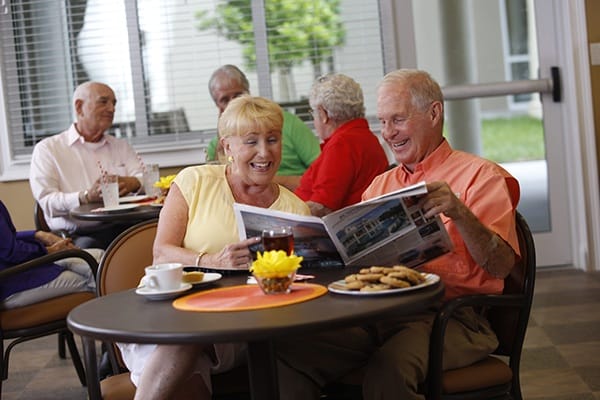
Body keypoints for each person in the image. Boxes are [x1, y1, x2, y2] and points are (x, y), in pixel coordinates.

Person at [276, 69, 521, 399]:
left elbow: (502, 266)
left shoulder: (480, 176)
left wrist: (459, 213)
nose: (388, 133)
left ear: (434, 113)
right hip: (380, 314)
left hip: (455, 318)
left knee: (389, 369)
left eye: (398, 120)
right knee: (287, 357)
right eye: (383, 122)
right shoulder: (380, 186)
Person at [117, 95, 311, 400]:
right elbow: (161, 251)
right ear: (227, 147)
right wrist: (211, 260)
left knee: (188, 338)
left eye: (272, 139)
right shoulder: (194, 181)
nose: (264, 152)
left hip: (241, 326)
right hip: (166, 312)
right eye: (251, 141)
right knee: (182, 342)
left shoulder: (296, 210)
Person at [29, 81, 145, 249]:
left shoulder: (121, 146)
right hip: (79, 234)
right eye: (103, 102)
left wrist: (133, 182)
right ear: (79, 107)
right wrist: (85, 197)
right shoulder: (48, 149)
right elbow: (47, 202)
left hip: (123, 226)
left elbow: (145, 178)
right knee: (93, 252)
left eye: (114, 103)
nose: (112, 109)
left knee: (155, 235)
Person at [206, 64, 321, 191]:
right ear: (217, 105)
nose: (233, 103)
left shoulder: (287, 123)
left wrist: (267, 181)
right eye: (224, 100)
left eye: (238, 96)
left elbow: (322, 175)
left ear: (248, 92)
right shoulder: (216, 144)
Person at [294, 73, 388, 216]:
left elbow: (322, 207)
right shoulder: (364, 137)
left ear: (323, 114)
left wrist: (281, 217)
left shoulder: (342, 145)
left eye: (312, 112)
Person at [0, 200, 100, 309]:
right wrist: (51, 251)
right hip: (11, 283)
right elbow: (11, 252)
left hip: (19, 269)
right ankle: (103, 322)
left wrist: (37, 235)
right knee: (95, 277)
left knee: (99, 256)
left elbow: (7, 239)